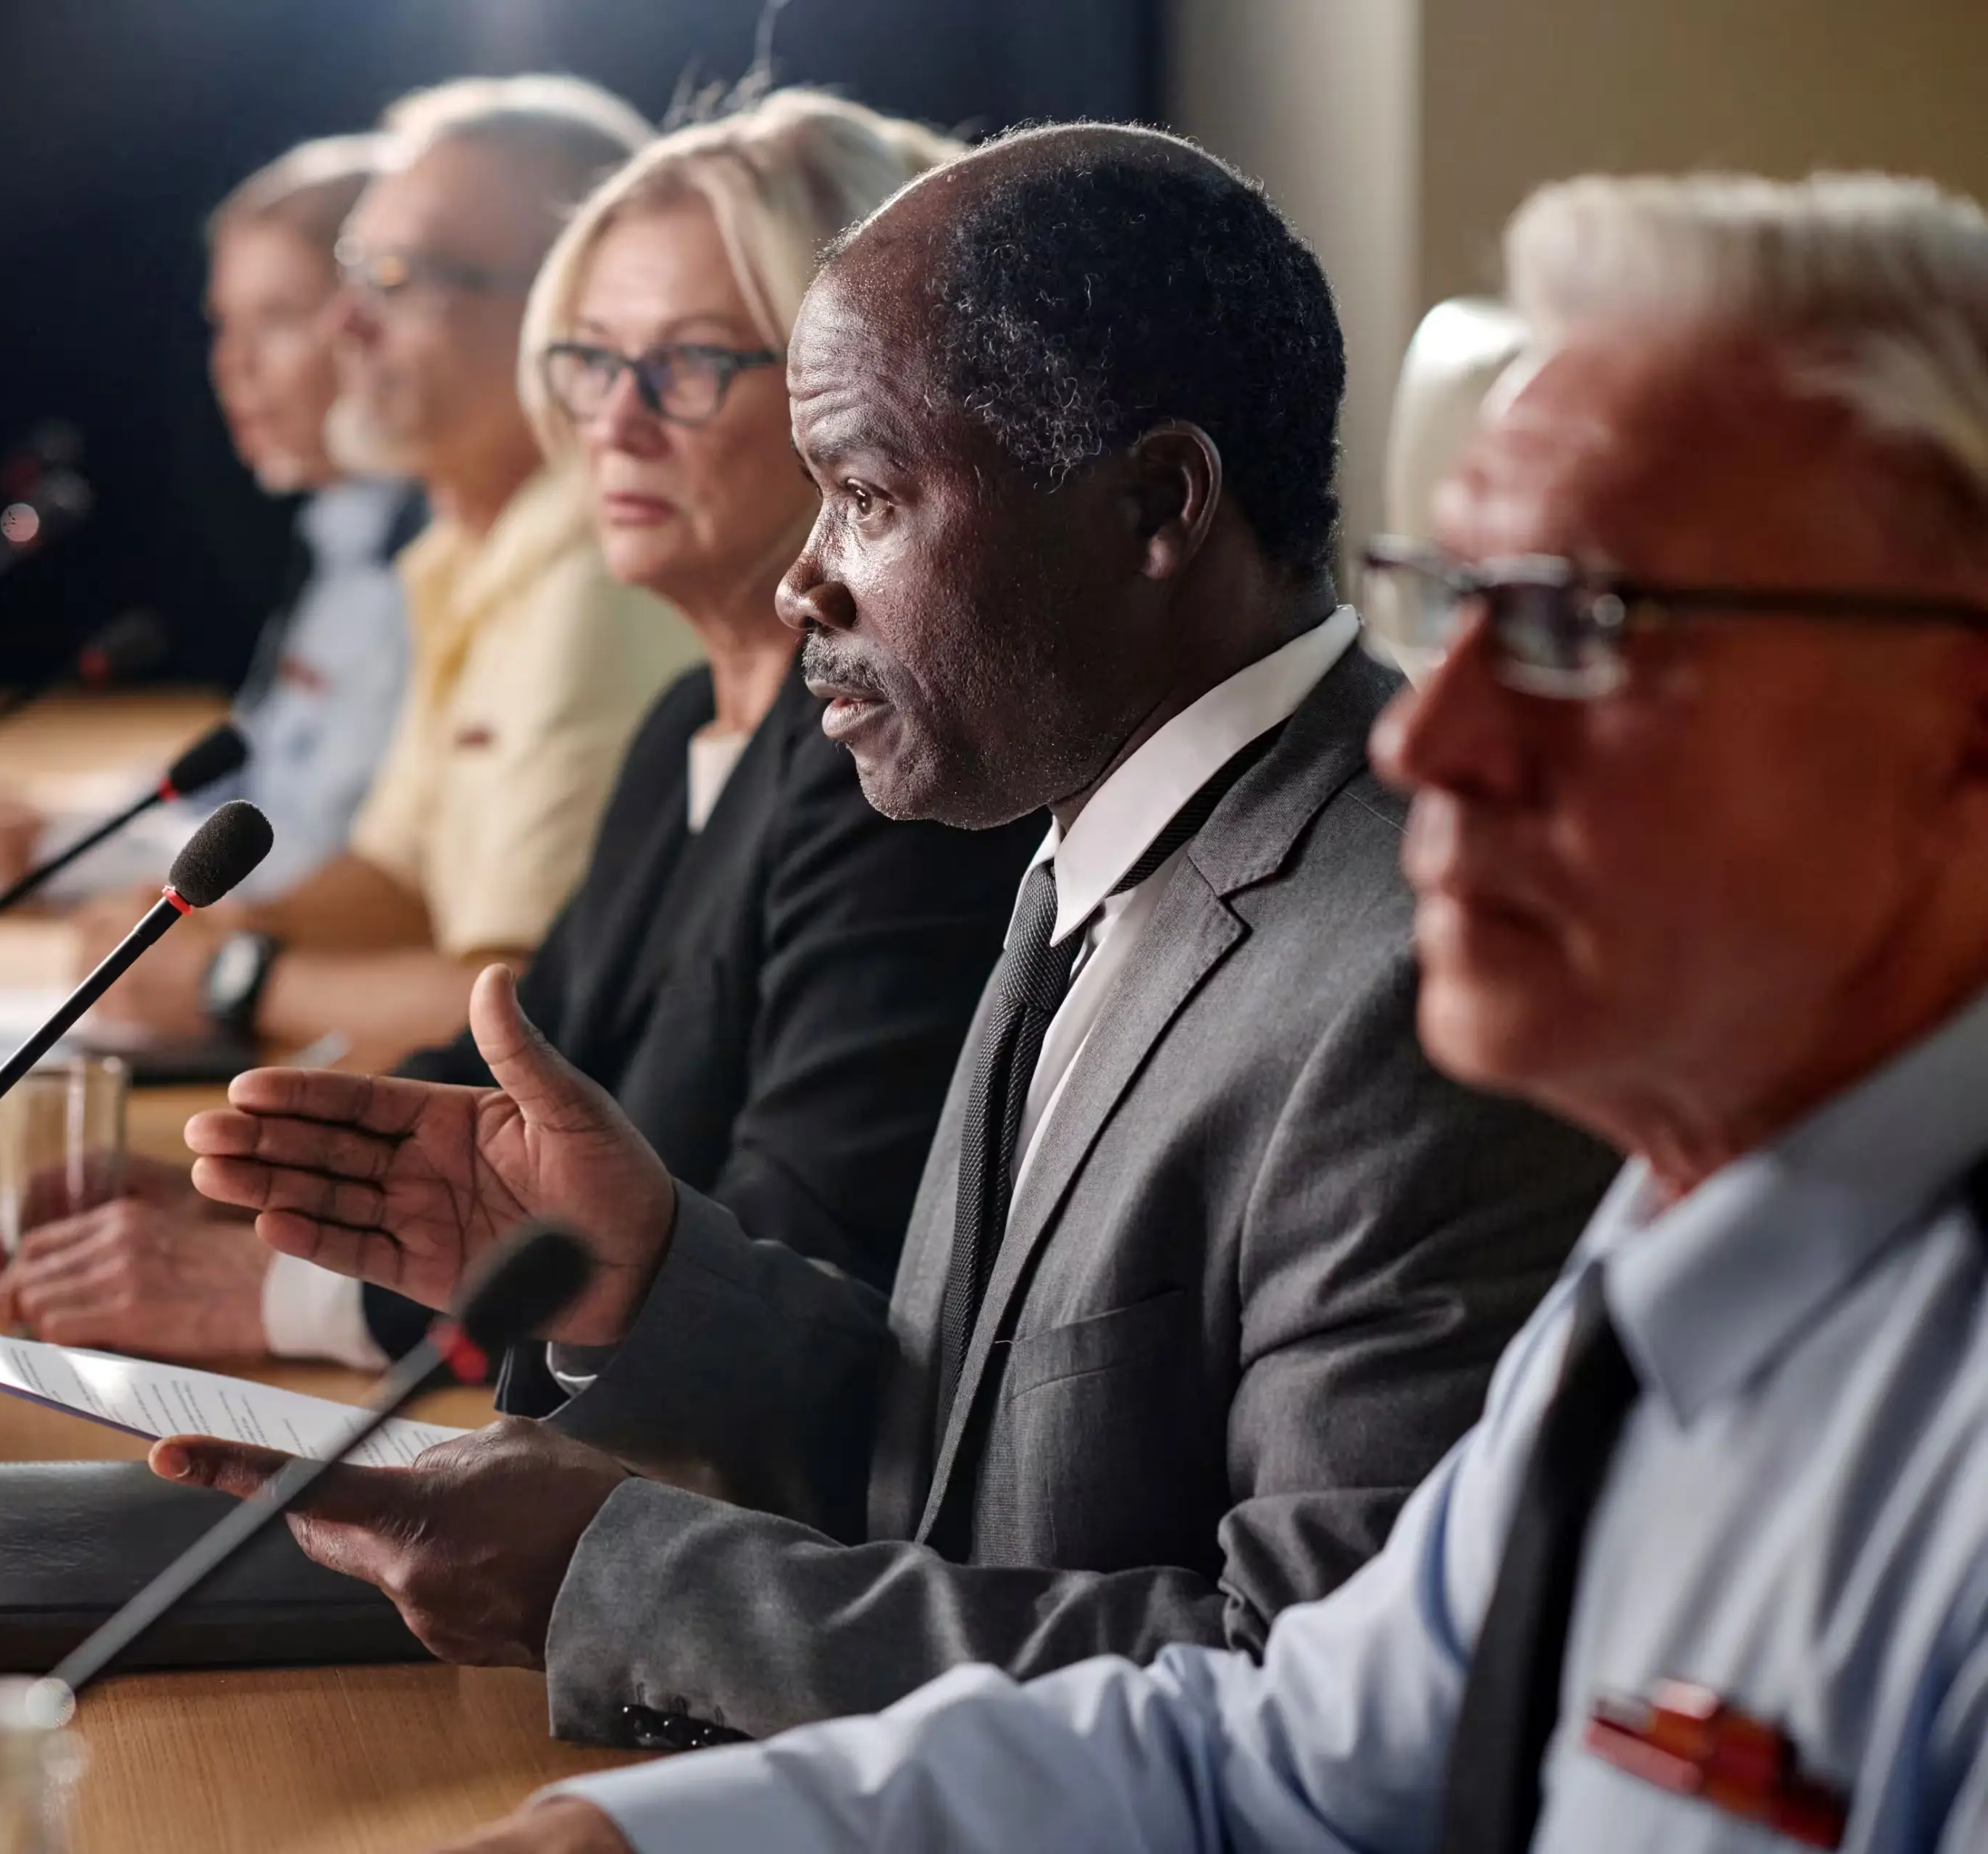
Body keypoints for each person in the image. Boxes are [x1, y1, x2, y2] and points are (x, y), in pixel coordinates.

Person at [433, 168, 1988, 1853]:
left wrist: (633, 1584)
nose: (1425, 734)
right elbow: (1284, 1752)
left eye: (1570, 625)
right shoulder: (1676, 1245)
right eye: (1454, 603)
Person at [162, 124, 1618, 1747]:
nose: (803, 581)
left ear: (1156, 503)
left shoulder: (1416, 981)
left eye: (862, 494)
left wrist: (624, 1581)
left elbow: (1314, 1693)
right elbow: (969, 1468)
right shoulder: (1082, 822)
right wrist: (648, 1288)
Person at [0, 92, 1045, 1371]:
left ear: (850, 401)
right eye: (592, 360)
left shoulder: (895, 775)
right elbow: (525, 1058)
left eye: (693, 361)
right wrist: (271, 1199)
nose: (615, 421)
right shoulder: (687, 728)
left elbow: (778, 1269)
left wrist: (281, 1299)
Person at [79, 77, 700, 1061]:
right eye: (353, 274)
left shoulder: (602, 571)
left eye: (398, 280)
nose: (344, 328)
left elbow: (529, 1012)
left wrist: (234, 976)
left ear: (571, 311)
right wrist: (187, 926)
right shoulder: (465, 546)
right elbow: (399, 882)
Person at [0, 134, 420, 905]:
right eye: (223, 324)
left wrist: (63, 849)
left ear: (371, 323)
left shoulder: (425, 556)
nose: (231, 366)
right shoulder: (342, 535)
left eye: (277, 318)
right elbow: (253, 776)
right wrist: (76, 816)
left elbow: (334, 866)